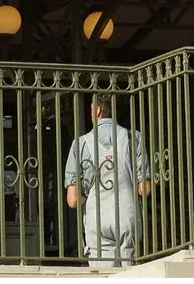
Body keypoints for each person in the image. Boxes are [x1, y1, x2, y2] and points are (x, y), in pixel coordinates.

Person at [63, 96, 149, 272]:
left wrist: (89, 199)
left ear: (97, 110)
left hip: (97, 218)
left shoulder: (80, 144)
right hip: (127, 214)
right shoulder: (133, 138)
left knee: (102, 278)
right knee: (130, 275)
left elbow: (72, 200)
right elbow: (144, 189)